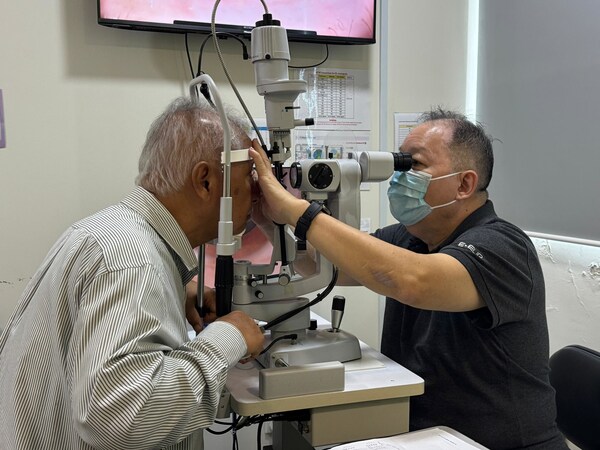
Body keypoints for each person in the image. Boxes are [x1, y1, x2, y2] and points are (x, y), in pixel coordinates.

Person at [248, 109, 568, 450]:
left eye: (412, 165)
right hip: (425, 435)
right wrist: (267, 219)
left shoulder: (503, 246)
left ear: (464, 184)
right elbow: (326, 265)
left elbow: (412, 281)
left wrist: (297, 211)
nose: (398, 177)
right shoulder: (411, 238)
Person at [0, 97, 264, 450]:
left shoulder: (111, 233)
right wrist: (228, 337)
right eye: (250, 176)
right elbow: (120, 418)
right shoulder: (135, 263)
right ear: (205, 181)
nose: (258, 192)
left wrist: (175, 290)